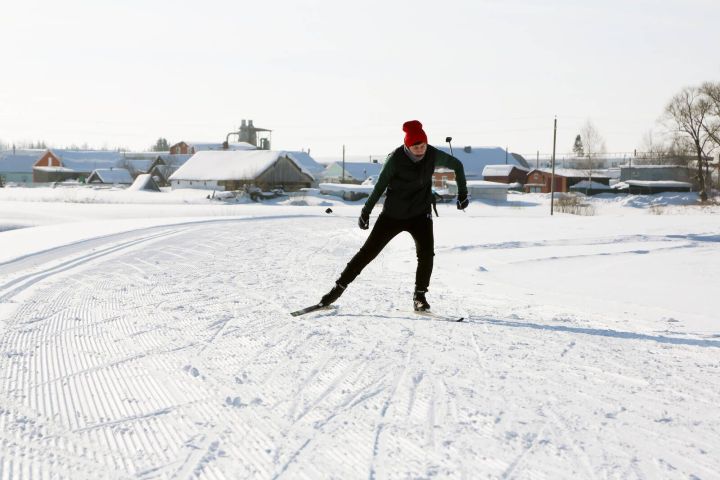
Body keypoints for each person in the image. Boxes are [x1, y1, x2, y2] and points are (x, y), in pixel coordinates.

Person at [319, 120, 469, 312]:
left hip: (420, 213)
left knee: (426, 254)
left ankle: (419, 296)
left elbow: (457, 165)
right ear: (408, 145)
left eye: (423, 145)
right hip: (393, 215)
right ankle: (337, 289)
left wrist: (463, 193)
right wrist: (366, 211)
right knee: (368, 253)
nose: (421, 150)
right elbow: (379, 186)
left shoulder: (432, 154)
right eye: (416, 147)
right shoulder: (395, 159)